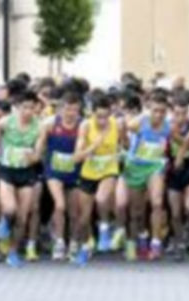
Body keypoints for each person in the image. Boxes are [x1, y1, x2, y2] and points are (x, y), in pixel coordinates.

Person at [0, 92, 42, 267]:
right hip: (7, 171)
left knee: (22, 218)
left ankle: (13, 252)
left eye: (31, 108)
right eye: (24, 107)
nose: (27, 111)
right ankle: (3, 222)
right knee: (10, 208)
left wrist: (33, 156)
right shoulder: (6, 122)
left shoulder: (39, 126)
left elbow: (38, 153)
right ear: (17, 107)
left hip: (27, 173)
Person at [119, 94, 171, 262]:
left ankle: (156, 243)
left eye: (162, 111)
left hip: (155, 166)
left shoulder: (167, 126)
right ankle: (142, 236)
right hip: (135, 167)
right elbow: (124, 128)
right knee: (136, 211)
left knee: (157, 202)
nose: (159, 115)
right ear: (149, 110)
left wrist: (181, 155)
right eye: (155, 111)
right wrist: (125, 141)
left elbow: (181, 139)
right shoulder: (140, 123)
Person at [72, 95, 123, 263]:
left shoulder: (116, 125)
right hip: (89, 173)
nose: (102, 121)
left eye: (106, 117)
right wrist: (93, 146)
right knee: (83, 218)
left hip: (109, 169)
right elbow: (77, 157)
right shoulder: (86, 126)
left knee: (101, 199)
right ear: (92, 113)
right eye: (99, 117)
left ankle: (105, 229)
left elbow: (125, 144)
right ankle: (85, 246)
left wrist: (122, 151)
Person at [34, 92, 83, 261]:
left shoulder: (83, 126)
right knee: (60, 205)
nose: (71, 113)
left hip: (75, 172)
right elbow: (40, 144)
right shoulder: (49, 124)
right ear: (60, 109)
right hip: (54, 171)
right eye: (68, 109)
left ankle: (74, 242)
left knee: (74, 212)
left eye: (75, 110)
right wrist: (36, 155)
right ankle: (59, 241)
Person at [166, 94, 189, 261]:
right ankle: (179, 242)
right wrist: (182, 142)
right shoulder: (166, 127)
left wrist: (183, 143)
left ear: (188, 112)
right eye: (177, 113)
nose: (180, 117)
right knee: (175, 213)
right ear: (172, 113)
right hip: (173, 170)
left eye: (184, 113)